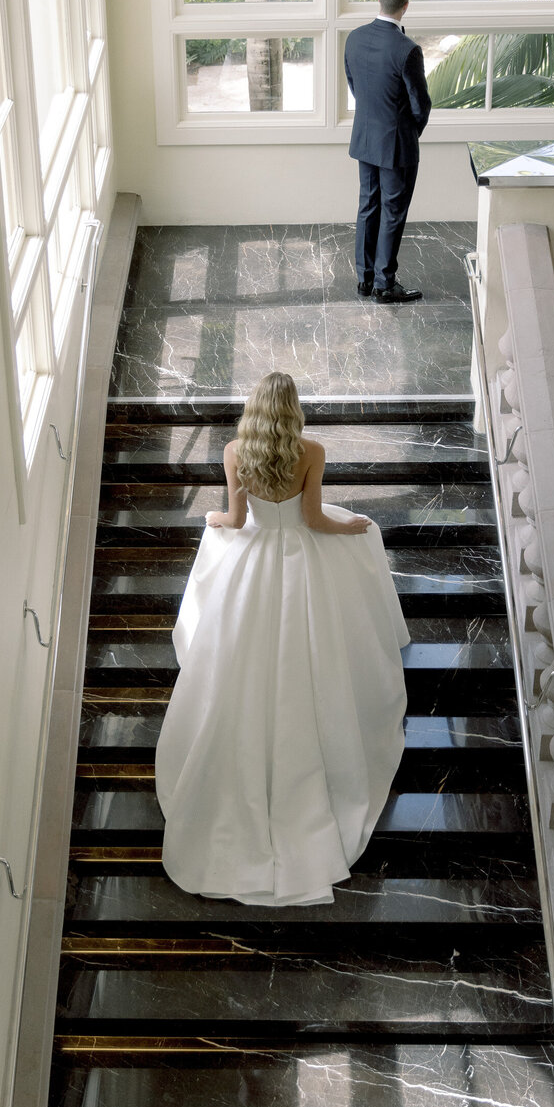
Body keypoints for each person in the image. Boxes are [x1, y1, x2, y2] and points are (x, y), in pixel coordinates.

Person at [155, 372, 409, 907]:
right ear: (292, 410)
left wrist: (214, 519)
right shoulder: (311, 451)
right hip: (299, 561)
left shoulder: (234, 451)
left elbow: (236, 517)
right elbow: (315, 520)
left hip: (255, 561)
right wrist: (354, 527)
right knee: (313, 655)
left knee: (236, 662)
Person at [344, 0, 431, 303]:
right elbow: (420, 103)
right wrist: (410, 131)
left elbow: (355, 86)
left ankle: (364, 279)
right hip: (396, 145)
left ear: (379, 0)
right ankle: (385, 283)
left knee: (368, 205)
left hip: (365, 138)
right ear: (406, 6)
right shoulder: (407, 50)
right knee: (392, 211)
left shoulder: (354, 38)